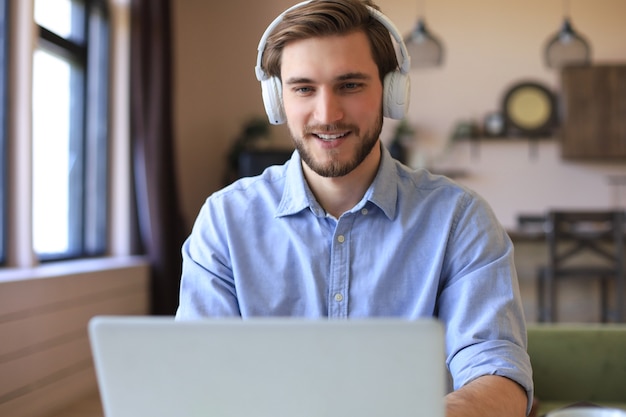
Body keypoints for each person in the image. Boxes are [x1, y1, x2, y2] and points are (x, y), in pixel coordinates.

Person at [176, 1, 533, 416]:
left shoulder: (459, 219)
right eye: (303, 88)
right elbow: (201, 376)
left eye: (350, 85)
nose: (327, 114)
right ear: (277, 100)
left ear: (391, 91)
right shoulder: (225, 221)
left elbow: (498, 375)